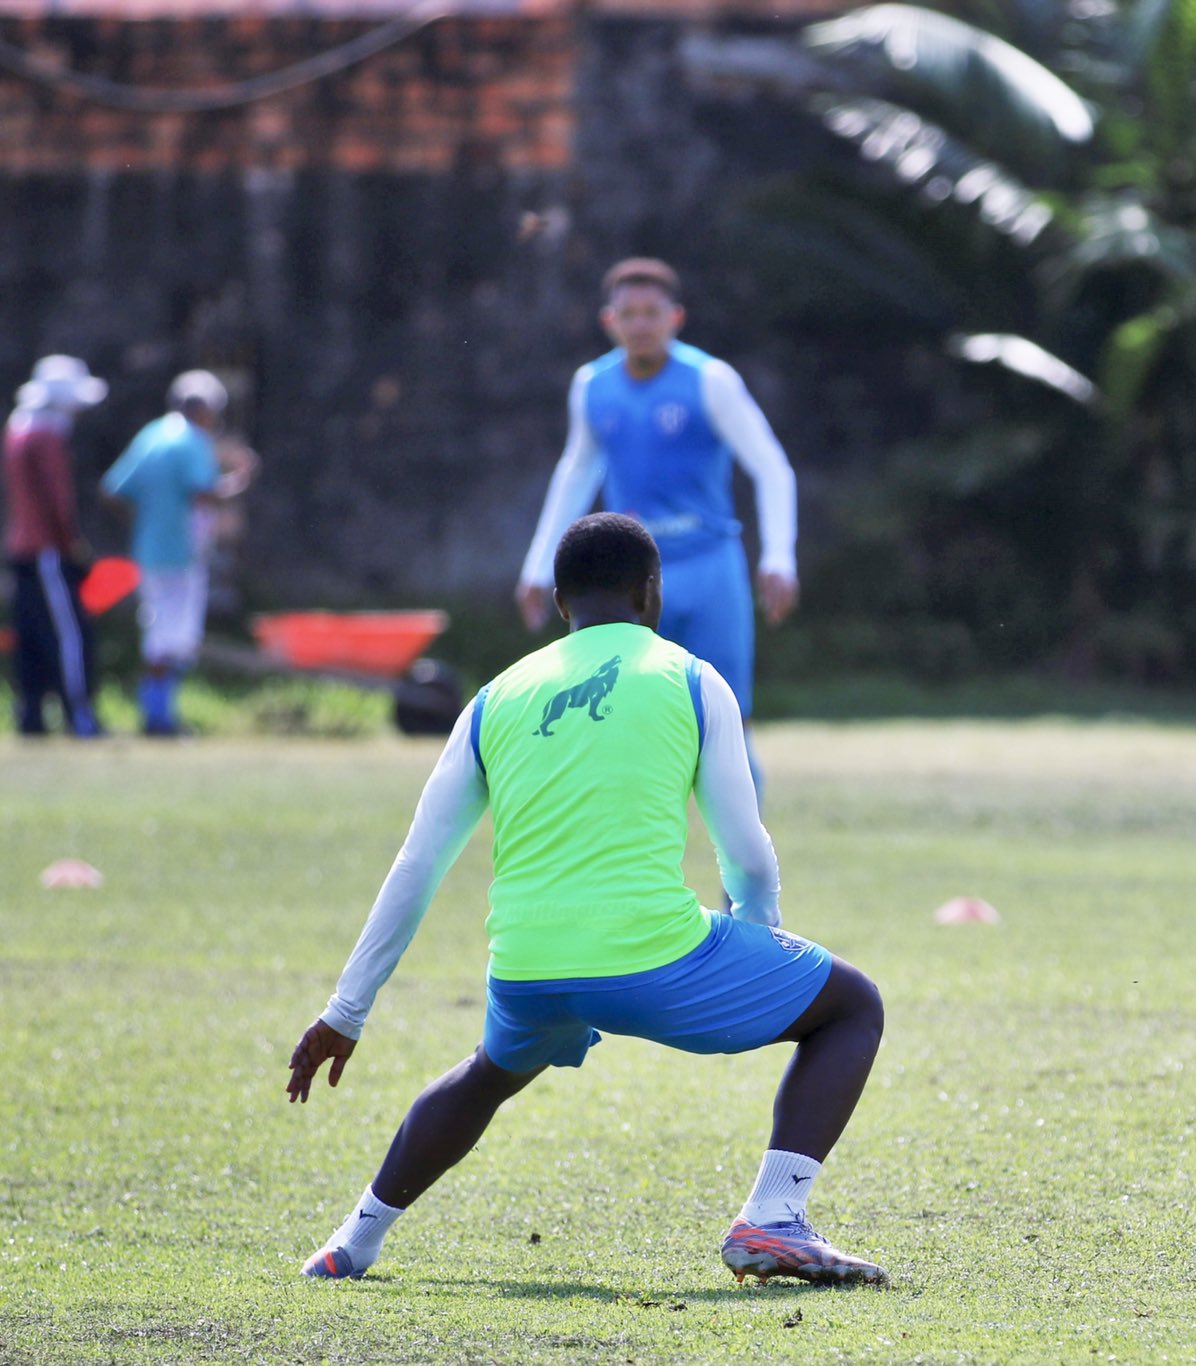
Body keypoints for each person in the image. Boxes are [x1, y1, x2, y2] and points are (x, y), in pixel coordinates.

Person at [287, 513, 888, 1287]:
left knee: (489, 1075)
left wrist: (347, 1010)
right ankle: (774, 1218)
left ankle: (353, 1242)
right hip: (655, 955)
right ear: (651, 592)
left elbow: (417, 865)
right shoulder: (692, 677)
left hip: (528, 966)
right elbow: (744, 851)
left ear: (561, 602)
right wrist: (759, 937)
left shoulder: (494, 697)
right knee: (852, 1006)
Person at [515, 257, 798, 796]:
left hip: (711, 568)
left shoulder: (710, 381)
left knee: (727, 723)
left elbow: (770, 465)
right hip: (632, 580)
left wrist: (779, 558)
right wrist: (536, 567)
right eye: (629, 314)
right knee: (614, 716)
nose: (641, 324)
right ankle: (622, 866)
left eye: (652, 313)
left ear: (675, 317)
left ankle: (743, 881)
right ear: (609, 321)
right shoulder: (592, 386)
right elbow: (576, 472)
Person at [99, 370, 250, 736]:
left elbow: (113, 489)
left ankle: (158, 713)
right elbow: (204, 494)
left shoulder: (151, 435)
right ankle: (159, 718)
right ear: (202, 410)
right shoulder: (191, 441)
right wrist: (242, 479)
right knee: (171, 638)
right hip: (181, 554)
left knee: (161, 633)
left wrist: (149, 519)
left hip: (150, 550)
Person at [4, 355, 107, 737]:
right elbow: (56, 501)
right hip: (48, 549)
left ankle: (31, 715)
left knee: (30, 635)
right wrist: (72, 544)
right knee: (70, 635)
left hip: (21, 549)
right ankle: (80, 716)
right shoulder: (46, 435)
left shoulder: (17, 427)